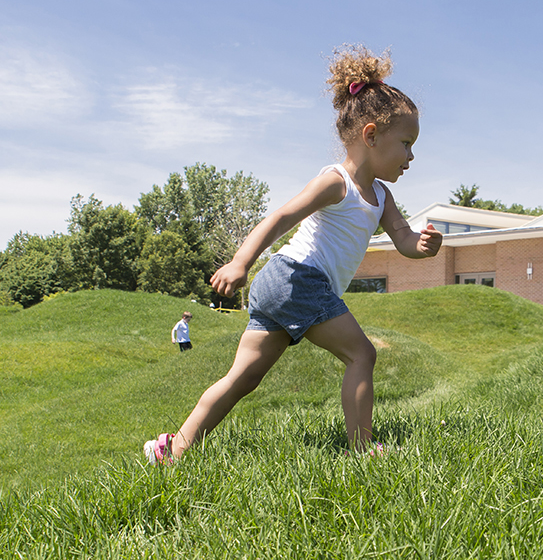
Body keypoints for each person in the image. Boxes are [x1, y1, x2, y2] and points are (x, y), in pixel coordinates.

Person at [144, 45, 442, 463]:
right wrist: (239, 262)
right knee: (362, 353)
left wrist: (424, 247)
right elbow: (281, 217)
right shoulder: (336, 183)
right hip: (299, 278)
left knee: (243, 377)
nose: (411, 157)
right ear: (371, 135)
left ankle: (174, 449)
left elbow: (403, 239)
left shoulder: (381, 196)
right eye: (406, 144)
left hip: (282, 284)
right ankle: (362, 448)